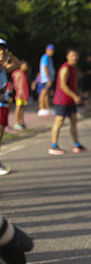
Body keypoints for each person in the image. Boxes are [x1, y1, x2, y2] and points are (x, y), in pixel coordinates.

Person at [48, 48, 86, 155]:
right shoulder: (65, 68)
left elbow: (72, 85)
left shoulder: (74, 68)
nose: (75, 57)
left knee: (74, 120)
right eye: (72, 55)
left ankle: (76, 143)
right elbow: (62, 85)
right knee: (59, 121)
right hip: (63, 100)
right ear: (67, 56)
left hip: (71, 100)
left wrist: (78, 94)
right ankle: (53, 145)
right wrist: (74, 96)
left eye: (76, 55)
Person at [0, 38, 22, 175]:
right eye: (0, 50)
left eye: (3, 50)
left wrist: (9, 55)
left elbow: (18, 64)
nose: (2, 53)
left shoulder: (3, 68)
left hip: (4, 104)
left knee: (1, 134)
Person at [38, 43, 56, 116]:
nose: (52, 52)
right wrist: (48, 79)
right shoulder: (45, 57)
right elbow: (45, 67)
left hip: (49, 78)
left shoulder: (49, 58)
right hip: (46, 79)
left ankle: (47, 108)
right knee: (44, 93)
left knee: (48, 94)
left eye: (52, 50)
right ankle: (41, 108)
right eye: (50, 50)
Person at [12, 60, 30, 130]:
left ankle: (21, 121)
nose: (26, 67)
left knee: (22, 108)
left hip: (24, 94)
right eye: (25, 66)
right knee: (18, 107)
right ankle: (16, 122)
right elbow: (18, 84)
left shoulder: (23, 74)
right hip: (19, 94)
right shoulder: (18, 73)